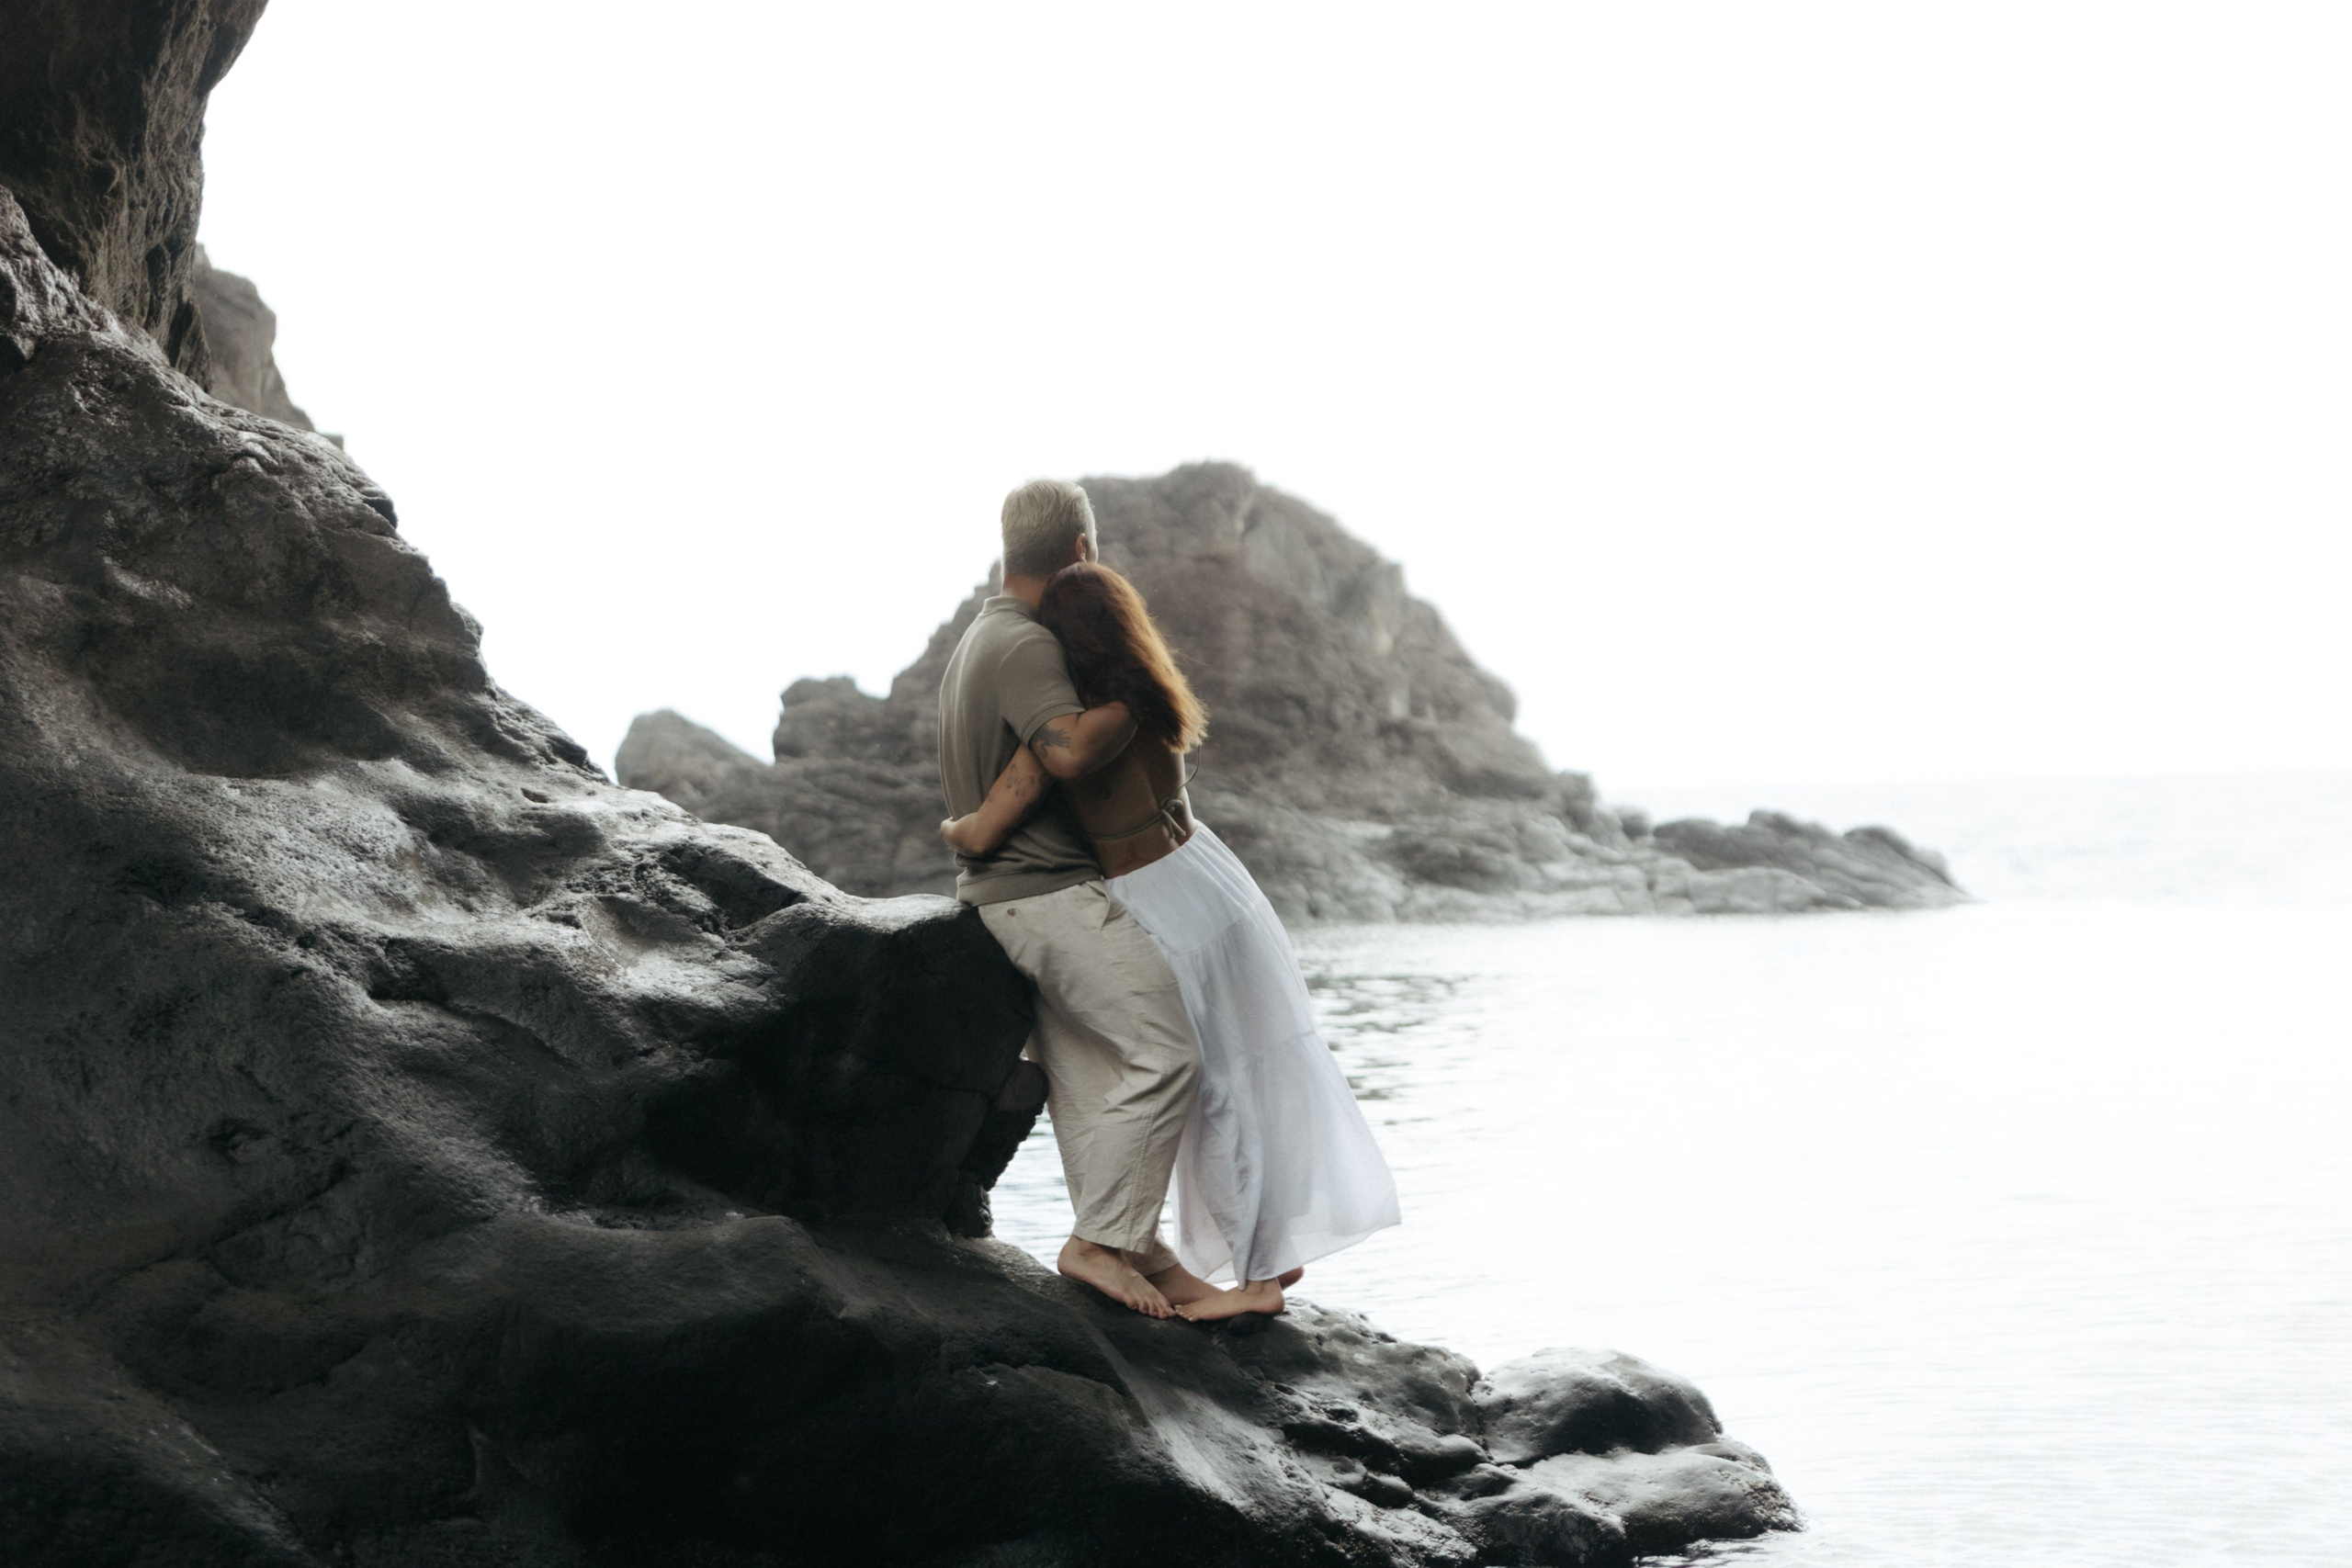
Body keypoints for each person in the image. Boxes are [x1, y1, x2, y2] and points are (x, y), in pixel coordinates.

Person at [943, 557, 1401, 1321]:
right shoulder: (1147, 695)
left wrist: (954, 824)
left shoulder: (1084, 723)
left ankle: (1255, 1282)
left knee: (1216, 1078)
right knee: (1250, 1066)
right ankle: (1266, 1261)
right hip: (1213, 880)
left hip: (1162, 899)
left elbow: (988, 822)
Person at [936, 479, 1216, 1319]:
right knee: (1170, 1051)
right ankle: (1096, 1243)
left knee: (1096, 1076)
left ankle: (1140, 1248)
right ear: (1080, 550)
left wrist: (970, 831)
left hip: (1012, 896)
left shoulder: (981, 638)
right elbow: (1061, 753)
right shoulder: (1024, 645)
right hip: (1048, 894)